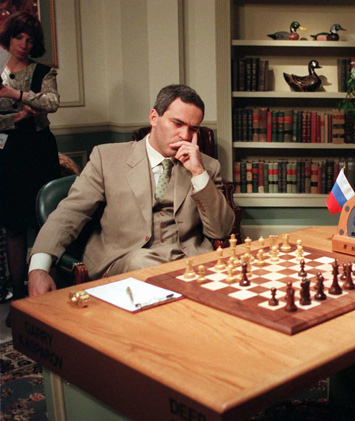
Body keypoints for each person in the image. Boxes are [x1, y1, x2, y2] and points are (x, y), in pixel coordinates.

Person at [27, 84, 235, 297]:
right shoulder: (106, 158)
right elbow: (69, 214)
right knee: (142, 262)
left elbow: (220, 231)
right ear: (154, 118)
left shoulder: (207, 166)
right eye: (177, 123)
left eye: (193, 129)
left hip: (188, 263)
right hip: (125, 260)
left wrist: (198, 174)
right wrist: (38, 268)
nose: (185, 135)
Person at [0, 12, 60, 306]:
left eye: (29, 39)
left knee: (44, 220)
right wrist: (19, 116)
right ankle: (19, 299)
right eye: (18, 37)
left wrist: (14, 93)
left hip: (39, 150)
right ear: (8, 38)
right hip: (9, 153)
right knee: (13, 226)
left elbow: (51, 103)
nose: (23, 44)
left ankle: (45, 294)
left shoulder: (43, 72)